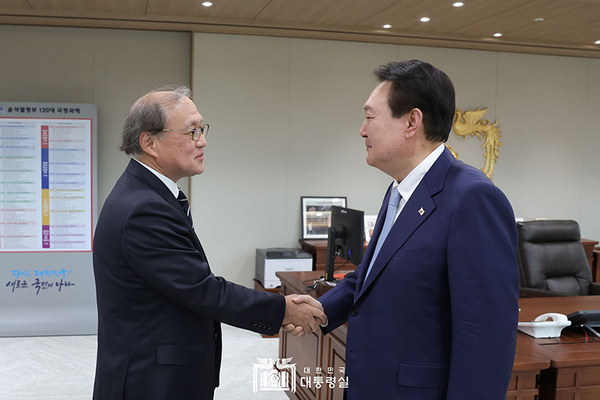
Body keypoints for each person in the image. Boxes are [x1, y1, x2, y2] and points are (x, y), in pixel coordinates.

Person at [291, 60, 520, 399]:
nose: (362, 130)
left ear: (412, 121)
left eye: (370, 117)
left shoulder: (472, 197)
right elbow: (372, 275)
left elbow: (486, 335)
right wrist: (323, 309)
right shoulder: (399, 189)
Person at [92, 85, 325, 400]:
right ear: (149, 142)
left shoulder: (146, 194)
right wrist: (282, 310)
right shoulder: (143, 208)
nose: (202, 141)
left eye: (202, 129)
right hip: (150, 381)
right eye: (191, 132)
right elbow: (201, 289)